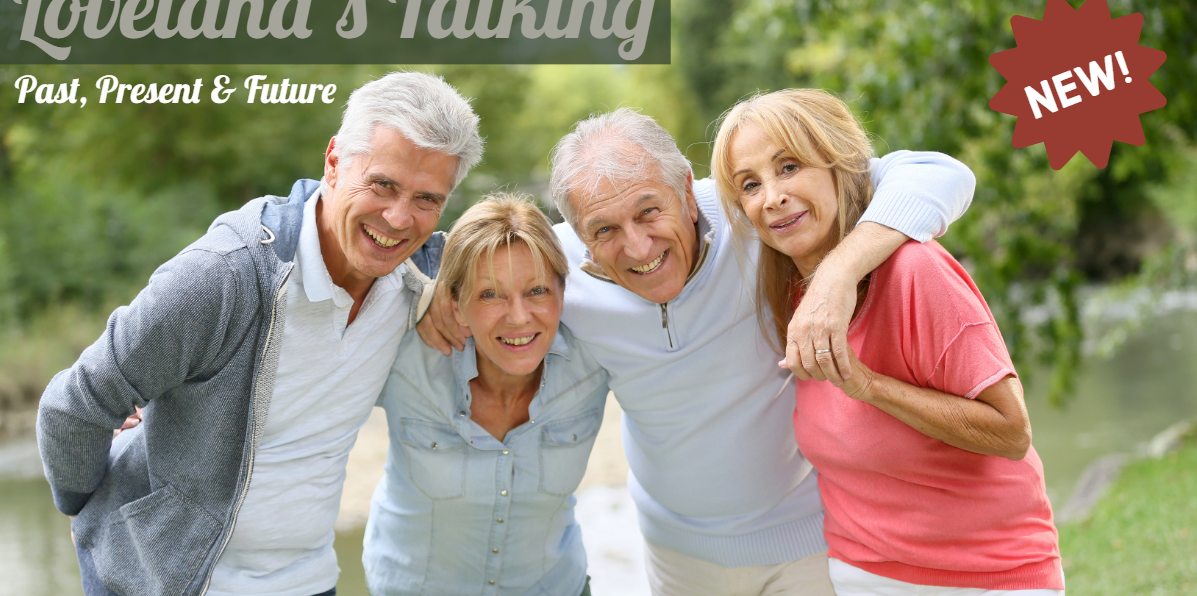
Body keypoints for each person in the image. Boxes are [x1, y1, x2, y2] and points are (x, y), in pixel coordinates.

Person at [419, 107, 977, 595]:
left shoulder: (754, 213)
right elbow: (440, 256)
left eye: (649, 212)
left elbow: (942, 174)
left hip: (811, 537)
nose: (637, 246)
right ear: (579, 235)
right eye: (605, 229)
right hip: (676, 554)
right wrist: (437, 293)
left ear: (687, 190)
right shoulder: (553, 267)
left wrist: (838, 273)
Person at [35, 71, 483, 596]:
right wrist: (83, 506)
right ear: (334, 162)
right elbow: (74, 405)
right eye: (383, 184)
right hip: (168, 583)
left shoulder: (423, 272)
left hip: (308, 581)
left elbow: (533, 261)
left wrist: (441, 293)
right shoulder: (224, 277)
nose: (399, 217)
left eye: (427, 199)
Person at [711, 89, 1063, 595]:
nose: (772, 197)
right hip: (861, 574)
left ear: (838, 166)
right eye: (751, 185)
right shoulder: (783, 290)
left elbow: (1012, 433)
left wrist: (870, 386)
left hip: (985, 575)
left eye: (788, 167)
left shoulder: (916, 271)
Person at [364, 193, 608, 596]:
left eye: (537, 291)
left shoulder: (596, 360)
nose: (518, 317)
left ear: (563, 294)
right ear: (455, 304)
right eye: (490, 294)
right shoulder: (403, 355)